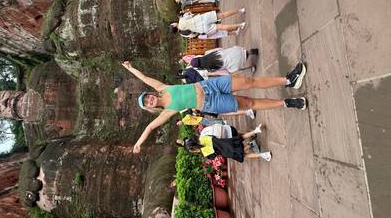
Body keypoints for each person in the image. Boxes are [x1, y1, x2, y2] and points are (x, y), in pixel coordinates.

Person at [122, 61, 307, 153]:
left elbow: (144, 78)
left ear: (151, 94)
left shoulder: (162, 88)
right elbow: (149, 127)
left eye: (147, 97)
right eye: (147, 103)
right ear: (150, 107)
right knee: (249, 103)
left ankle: (288, 81)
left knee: (249, 81)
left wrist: (130, 69)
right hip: (211, 103)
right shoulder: (168, 111)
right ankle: (287, 103)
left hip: (209, 86)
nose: (149, 100)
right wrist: (138, 144)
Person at [176, 123, 271, 162]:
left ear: (194, 148)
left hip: (228, 151)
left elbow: (213, 156)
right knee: (241, 137)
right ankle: (256, 130)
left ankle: (263, 155)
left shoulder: (205, 153)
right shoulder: (204, 137)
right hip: (228, 140)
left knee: (244, 155)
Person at [171, 8, 246, 37]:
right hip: (200, 19)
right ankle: (240, 10)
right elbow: (190, 14)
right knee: (222, 15)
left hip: (201, 29)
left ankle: (240, 25)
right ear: (174, 25)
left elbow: (193, 35)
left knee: (221, 27)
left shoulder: (182, 34)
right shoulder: (181, 20)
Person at [190, 46, 258, 74]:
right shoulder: (208, 53)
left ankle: (250, 69)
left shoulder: (210, 68)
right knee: (227, 51)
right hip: (238, 50)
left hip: (239, 63)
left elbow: (223, 71)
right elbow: (221, 49)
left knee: (230, 71)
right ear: (198, 57)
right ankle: (249, 52)